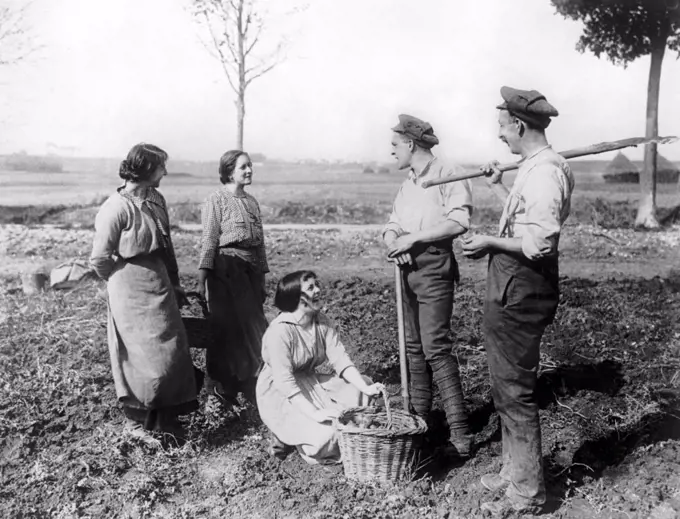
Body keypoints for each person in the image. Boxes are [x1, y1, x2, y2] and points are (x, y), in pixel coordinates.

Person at [461, 86, 575, 515]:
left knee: (515, 390)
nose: (500, 137)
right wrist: (498, 188)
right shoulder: (536, 167)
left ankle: (527, 493)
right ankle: (514, 471)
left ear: (520, 125)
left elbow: (541, 243)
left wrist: (489, 240)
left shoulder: (546, 171)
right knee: (505, 386)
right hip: (512, 283)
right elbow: (525, 221)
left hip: (522, 288)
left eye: (502, 128)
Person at [90, 143, 198, 444]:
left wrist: (175, 282)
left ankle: (167, 419)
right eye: (161, 166)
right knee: (140, 358)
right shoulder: (115, 207)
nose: (165, 171)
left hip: (160, 285)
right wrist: (117, 280)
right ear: (146, 169)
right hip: (128, 289)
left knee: (170, 354)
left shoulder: (156, 199)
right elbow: (99, 258)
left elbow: (167, 246)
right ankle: (138, 423)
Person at [382, 114, 474, 457]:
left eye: (394, 145)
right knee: (413, 346)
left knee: (435, 346)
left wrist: (412, 240)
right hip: (405, 270)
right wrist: (395, 240)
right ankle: (420, 422)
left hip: (434, 266)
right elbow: (392, 223)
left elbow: (459, 221)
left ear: (410, 144)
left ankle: (461, 436)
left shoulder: (449, 173)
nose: (391, 151)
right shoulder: (408, 184)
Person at [256, 270, 385, 465]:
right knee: (325, 436)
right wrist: (315, 412)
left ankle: (303, 425)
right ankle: (283, 433)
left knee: (362, 388)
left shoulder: (321, 321)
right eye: (310, 287)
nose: (318, 290)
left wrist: (365, 388)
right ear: (296, 298)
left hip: (311, 381)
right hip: (280, 391)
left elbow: (340, 359)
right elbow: (285, 382)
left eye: (317, 285)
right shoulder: (280, 331)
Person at [197, 150, 268, 406]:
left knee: (253, 328)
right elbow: (209, 240)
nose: (249, 171)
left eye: (250, 166)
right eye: (243, 167)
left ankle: (251, 385)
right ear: (229, 171)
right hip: (225, 272)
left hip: (249, 274)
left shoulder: (252, 202)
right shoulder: (215, 200)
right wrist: (202, 278)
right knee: (228, 331)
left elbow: (259, 246)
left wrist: (261, 278)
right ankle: (221, 390)